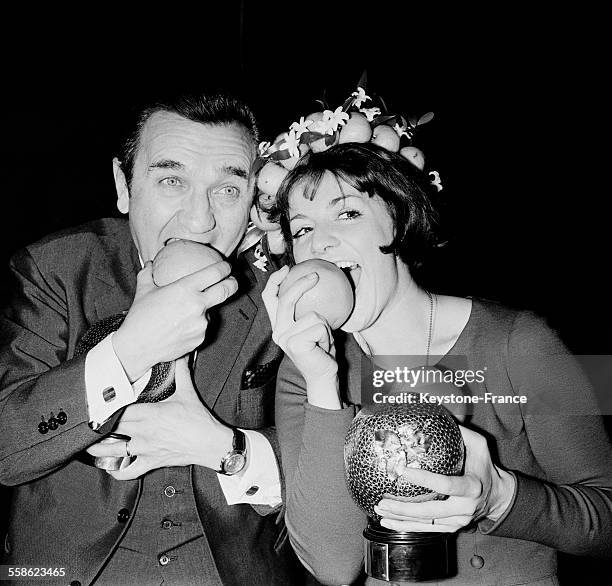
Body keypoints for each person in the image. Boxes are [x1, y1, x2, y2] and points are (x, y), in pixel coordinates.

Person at [263, 143, 612, 585]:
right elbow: (333, 565)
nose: (319, 242)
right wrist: (322, 385)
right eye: (301, 229)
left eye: (346, 213)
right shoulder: (303, 372)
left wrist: (500, 497)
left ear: (398, 215)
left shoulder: (522, 341)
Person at [0, 92, 305, 585]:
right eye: (171, 180)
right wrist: (129, 351)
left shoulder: (286, 290)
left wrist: (229, 449)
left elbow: (337, 454)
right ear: (124, 185)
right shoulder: (55, 271)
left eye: (227, 190)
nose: (199, 220)